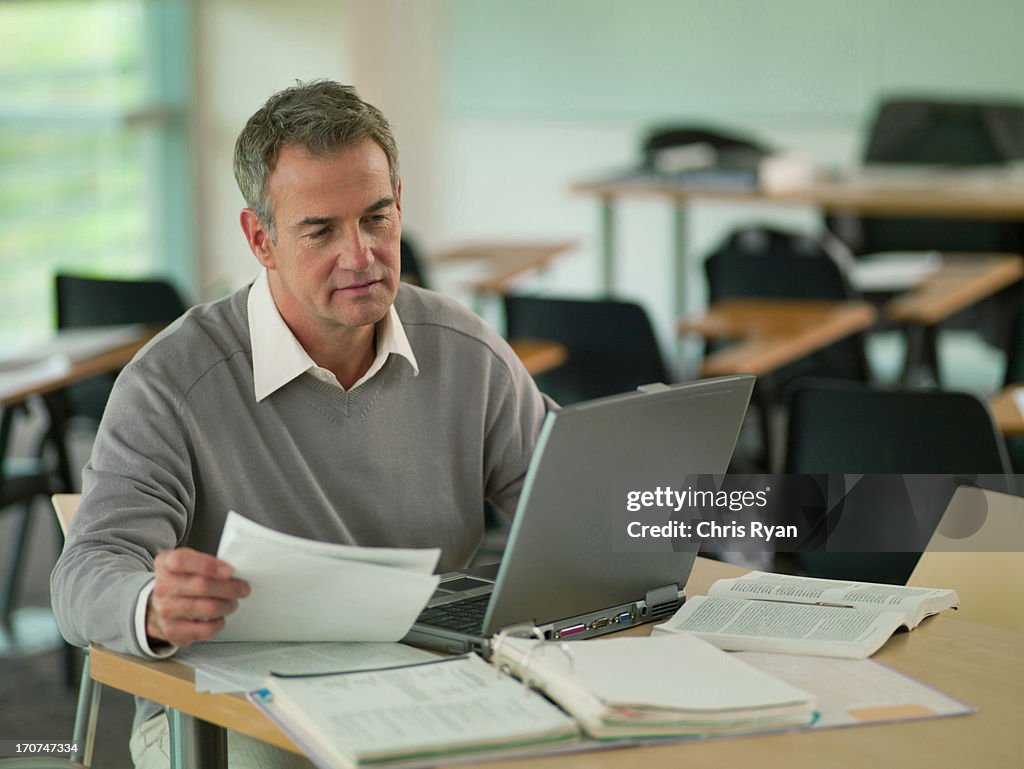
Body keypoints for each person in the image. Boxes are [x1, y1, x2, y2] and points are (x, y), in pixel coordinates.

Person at [50, 80, 552, 768]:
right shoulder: (173, 380)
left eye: (377, 218)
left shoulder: (465, 350)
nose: (361, 254)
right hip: (227, 711)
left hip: (427, 687)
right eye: (320, 230)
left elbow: (566, 512)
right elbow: (82, 573)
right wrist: (151, 604)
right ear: (261, 238)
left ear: (400, 206)